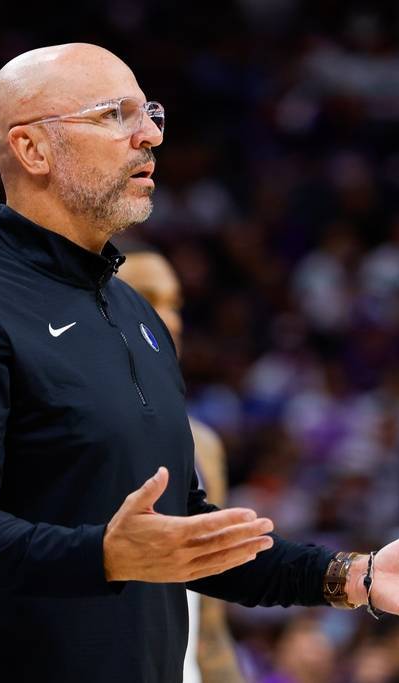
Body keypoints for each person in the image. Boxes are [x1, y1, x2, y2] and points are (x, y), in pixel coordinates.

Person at [0, 43, 399, 683]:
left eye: (149, 114)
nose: (149, 136)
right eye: (113, 115)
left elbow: (189, 536)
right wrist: (103, 556)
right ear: (32, 149)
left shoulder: (136, 315)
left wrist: (355, 576)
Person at [115, 240, 246, 683]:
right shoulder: (47, 429)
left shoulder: (202, 445)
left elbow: (209, 618)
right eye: (146, 300)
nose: (169, 319)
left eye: (174, 304)